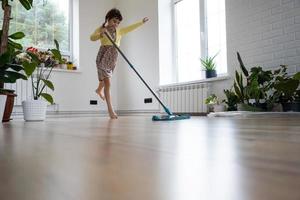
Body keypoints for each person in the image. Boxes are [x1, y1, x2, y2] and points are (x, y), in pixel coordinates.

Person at [90, 8, 149, 119]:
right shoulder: (101, 29)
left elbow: (130, 28)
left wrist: (141, 22)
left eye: (118, 22)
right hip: (103, 56)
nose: (116, 24)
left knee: (105, 79)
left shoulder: (119, 31)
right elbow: (91, 38)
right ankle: (111, 111)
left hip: (112, 58)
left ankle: (98, 90)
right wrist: (100, 34)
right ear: (108, 19)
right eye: (114, 21)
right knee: (108, 83)